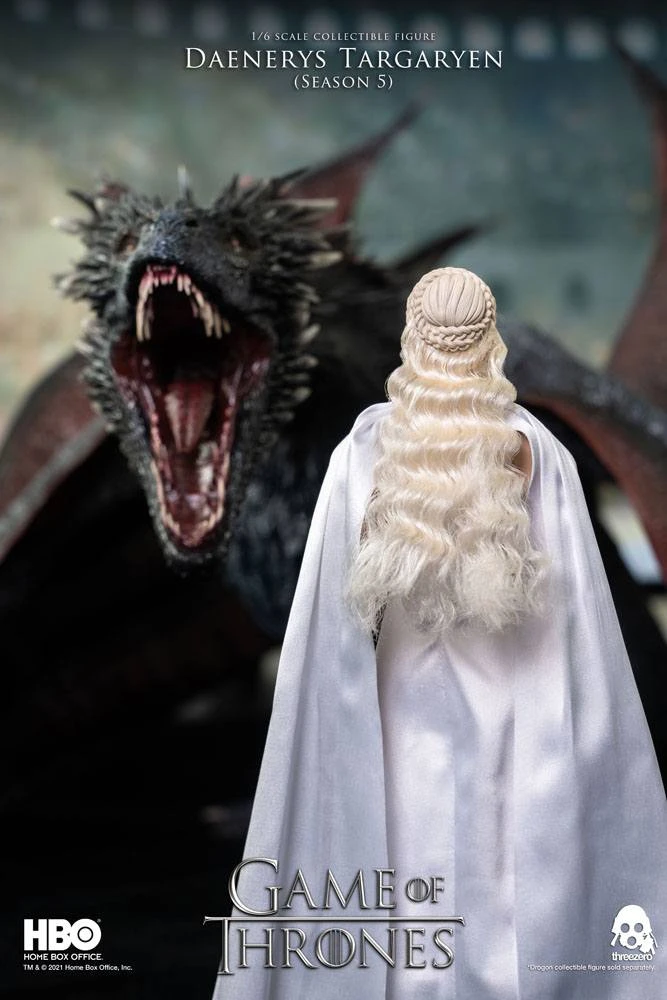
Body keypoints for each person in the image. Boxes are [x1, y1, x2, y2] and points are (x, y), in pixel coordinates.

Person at [212, 267, 667, 999]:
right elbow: (573, 598)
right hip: (496, 684)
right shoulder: (529, 448)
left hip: (429, 685)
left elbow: (339, 594)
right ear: (489, 341)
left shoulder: (370, 449)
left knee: (418, 836)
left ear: (412, 340)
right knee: (493, 843)